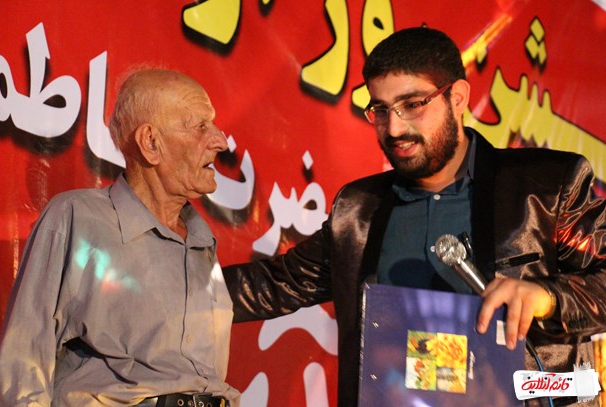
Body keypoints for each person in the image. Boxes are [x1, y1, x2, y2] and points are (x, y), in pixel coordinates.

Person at [222, 27, 606, 406]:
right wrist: (185, 283)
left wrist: (546, 298)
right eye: (380, 109)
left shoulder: (546, 186)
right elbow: (277, 284)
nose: (394, 128)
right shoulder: (358, 209)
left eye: (412, 105)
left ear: (458, 97)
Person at [0, 69, 240, 406]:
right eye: (200, 126)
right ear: (150, 143)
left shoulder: (201, 241)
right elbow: (24, 364)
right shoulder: (76, 218)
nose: (221, 141)